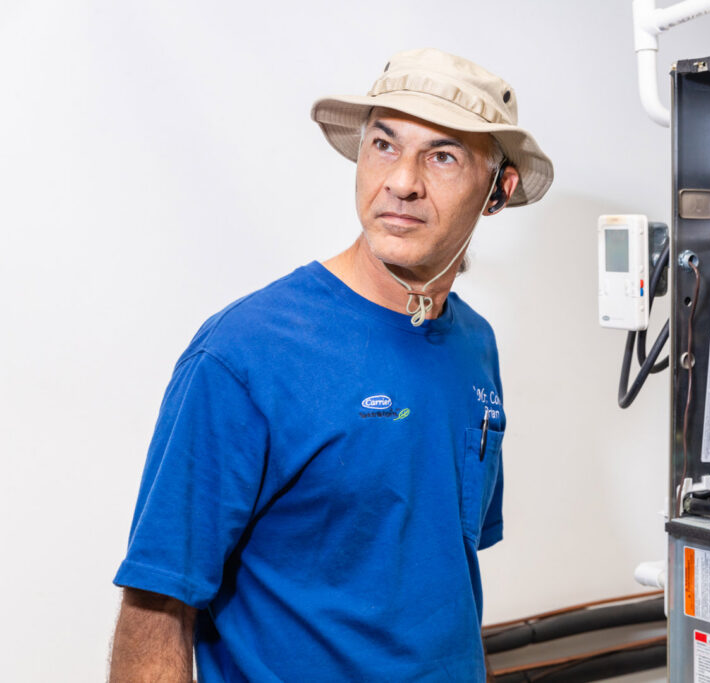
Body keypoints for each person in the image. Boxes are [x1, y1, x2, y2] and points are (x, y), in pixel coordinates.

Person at [108, 48, 553, 682]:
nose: (402, 181)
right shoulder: (246, 353)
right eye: (383, 144)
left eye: (443, 155)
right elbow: (157, 606)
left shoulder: (474, 346)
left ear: (497, 191)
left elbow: (431, 583)